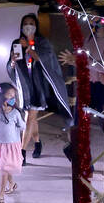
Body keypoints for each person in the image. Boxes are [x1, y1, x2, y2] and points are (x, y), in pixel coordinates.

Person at [7, 14, 72, 162]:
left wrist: (29, 47)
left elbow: (45, 59)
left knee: (30, 116)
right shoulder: (16, 43)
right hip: (25, 86)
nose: (28, 26)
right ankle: (37, 143)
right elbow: (11, 67)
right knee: (31, 117)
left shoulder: (42, 42)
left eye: (31, 23)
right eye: (25, 23)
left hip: (39, 85)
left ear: (36, 26)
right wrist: (11, 62)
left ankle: (21, 152)